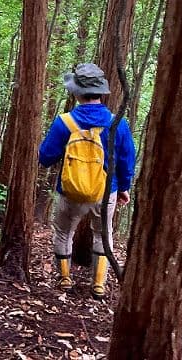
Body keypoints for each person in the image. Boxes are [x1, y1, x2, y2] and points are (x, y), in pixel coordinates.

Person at [38, 63, 135, 299]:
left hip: (70, 192)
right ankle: (99, 285)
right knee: (103, 235)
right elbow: (127, 159)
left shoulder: (65, 122)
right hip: (105, 192)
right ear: (102, 92)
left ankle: (64, 279)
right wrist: (123, 188)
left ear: (77, 92)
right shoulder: (117, 123)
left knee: (63, 233)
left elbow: (45, 157)